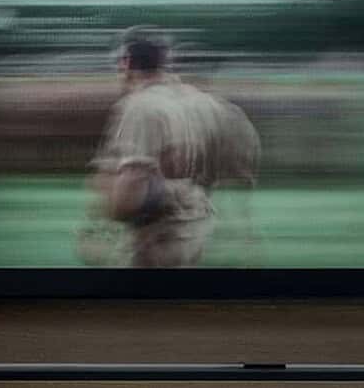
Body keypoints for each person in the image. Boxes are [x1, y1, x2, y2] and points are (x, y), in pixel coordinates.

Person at [82, 26, 259, 269]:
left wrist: (102, 225)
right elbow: (239, 161)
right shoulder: (202, 102)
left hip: (157, 240)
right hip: (196, 232)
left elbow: (130, 191)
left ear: (126, 63)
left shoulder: (140, 107)